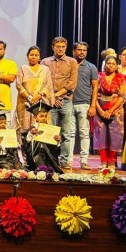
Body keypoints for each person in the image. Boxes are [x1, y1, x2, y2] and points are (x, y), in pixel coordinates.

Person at [41, 37, 78, 171]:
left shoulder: (72, 62)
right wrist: (52, 97)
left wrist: (57, 96)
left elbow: (72, 83)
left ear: (66, 47)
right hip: (49, 101)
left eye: (63, 46)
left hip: (65, 100)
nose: (60, 49)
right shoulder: (45, 62)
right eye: (58, 46)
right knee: (49, 131)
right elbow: (43, 82)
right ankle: (50, 159)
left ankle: (64, 160)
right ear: (53, 47)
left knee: (66, 132)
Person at [91, 54, 126, 169]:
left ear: (117, 66)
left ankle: (111, 161)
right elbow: (94, 94)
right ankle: (103, 161)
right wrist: (100, 110)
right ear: (105, 64)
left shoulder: (121, 78)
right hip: (100, 108)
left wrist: (111, 111)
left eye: (113, 64)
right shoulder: (99, 76)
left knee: (114, 135)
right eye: (108, 63)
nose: (110, 66)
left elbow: (122, 96)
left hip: (116, 110)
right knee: (101, 134)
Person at [71, 42, 99, 171]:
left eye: (84, 50)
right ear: (74, 51)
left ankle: (84, 161)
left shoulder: (91, 67)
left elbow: (95, 87)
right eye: (79, 50)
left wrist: (93, 106)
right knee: (69, 133)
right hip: (69, 103)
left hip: (84, 104)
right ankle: (68, 160)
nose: (82, 52)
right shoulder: (69, 64)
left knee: (84, 133)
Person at [15, 45, 55, 133]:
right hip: (26, 103)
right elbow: (18, 85)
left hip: (41, 102)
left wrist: (38, 97)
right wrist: (29, 98)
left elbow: (48, 85)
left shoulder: (45, 69)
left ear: (39, 57)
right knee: (25, 128)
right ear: (27, 56)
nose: (34, 57)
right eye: (31, 55)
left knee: (41, 127)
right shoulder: (23, 68)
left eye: (36, 55)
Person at [22, 103, 63, 173]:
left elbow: (55, 150)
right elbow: (26, 145)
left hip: (49, 158)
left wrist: (58, 141)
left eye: (45, 116)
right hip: (35, 159)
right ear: (35, 117)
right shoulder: (31, 129)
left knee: (53, 172)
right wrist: (31, 134)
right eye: (41, 116)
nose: (44, 118)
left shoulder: (51, 130)